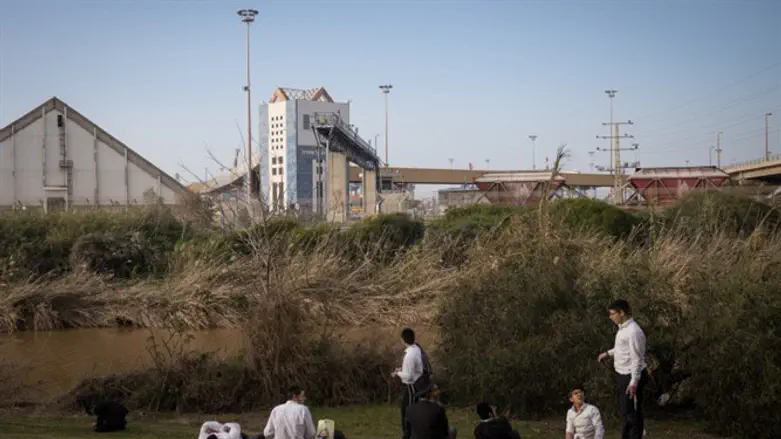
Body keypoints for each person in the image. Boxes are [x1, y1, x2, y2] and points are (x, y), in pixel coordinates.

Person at [597, 299, 648, 439]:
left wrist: (633, 382)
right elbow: (622, 349)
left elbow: (637, 358)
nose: (610, 317)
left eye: (613, 314)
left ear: (622, 313)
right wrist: (607, 354)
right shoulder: (623, 329)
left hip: (631, 376)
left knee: (632, 413)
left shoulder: (633, 332)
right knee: (626, 412)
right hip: (622, 374)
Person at [392, 328, 429, 439]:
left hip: (413, 387)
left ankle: (408, 434)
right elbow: (414, 368)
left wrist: (397, 373)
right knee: (407, 409)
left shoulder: (409, 356)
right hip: (419, 382)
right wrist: (402, 369)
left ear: (403, 340)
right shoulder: (416, 348)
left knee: (408, 411)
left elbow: (408, 377)